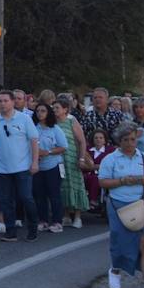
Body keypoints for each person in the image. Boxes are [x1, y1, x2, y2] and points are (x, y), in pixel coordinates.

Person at [98, 125, 144, 288]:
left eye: (132, 139)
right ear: (119, 141)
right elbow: (103, 182)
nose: (129, 143)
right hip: (120, 203)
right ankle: (116, 268)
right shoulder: (110, 159)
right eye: (125, 140)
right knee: (120, 240)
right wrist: (122, 181)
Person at [0, 91, 39, 242]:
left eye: (5, 101)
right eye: (0, 101)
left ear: (13, 102)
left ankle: (33, 228)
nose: (2, 104)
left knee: (26, 198)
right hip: (2, 168)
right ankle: (10, 231)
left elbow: (34, 141)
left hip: (23, 167)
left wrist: (35, 162)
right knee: (5, 200)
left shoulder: (24, 119)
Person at [53, 96, 90, 229]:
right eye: (54, 108)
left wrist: (81, 158)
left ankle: (78, 216)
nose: (55, 110)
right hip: (58, 159)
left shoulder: (71, 121)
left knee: (76, 185)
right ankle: (66, 215)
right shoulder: (53, 122)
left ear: (65, 109)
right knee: (62, 186)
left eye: (57, 108)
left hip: (72, 157)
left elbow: (81, 141)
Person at [32, 102, 67, 234]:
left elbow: (63, 147)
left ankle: (57, 221)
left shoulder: (55, 129)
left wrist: (48, 152)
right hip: (37, 166)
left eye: (43, 111)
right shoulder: (33, 128)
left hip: (53, 165)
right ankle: (43, 220)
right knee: (39, 195)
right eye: (38, 111)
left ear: (48, 113)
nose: (40, 113)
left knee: (54, 194)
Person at [84, 129, 113, 211]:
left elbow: (110, 165)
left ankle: (92, 200)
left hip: (103, 175)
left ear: (105, 140)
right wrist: (94, 166)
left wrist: (94, 166)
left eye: (101, 138)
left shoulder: (110, 150)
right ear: (93, 140)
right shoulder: (87, 150)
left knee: (96, 179)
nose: (98, 140)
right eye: (96, 138)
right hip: (87, 174)